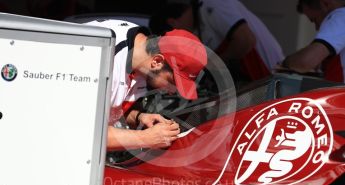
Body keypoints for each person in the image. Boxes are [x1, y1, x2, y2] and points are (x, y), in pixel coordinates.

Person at [84, 20, 207, 151]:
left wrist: (139, 117)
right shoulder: (100, 59)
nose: (172, 92)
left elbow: (116, 108)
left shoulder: (142, 54)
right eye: (172, 82)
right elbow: (82, 133)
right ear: (157, 61)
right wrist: (145, 138)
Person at [149, 0, 284, 86]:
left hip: (271, 75)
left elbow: (245, 41)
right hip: (259, 82)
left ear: (172, 23)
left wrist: (214, 64)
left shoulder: (213, 4)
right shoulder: (199, 28)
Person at [281, 0, 345, 83]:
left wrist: (286, 62)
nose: (317, 28)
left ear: (325, 4)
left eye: (314, 20)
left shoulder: (341, 16)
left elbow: (304, 62)